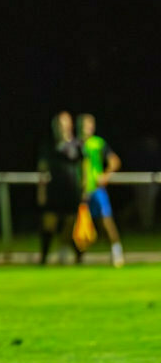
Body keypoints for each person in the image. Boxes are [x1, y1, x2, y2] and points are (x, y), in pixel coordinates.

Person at [77, 113, 124, 267]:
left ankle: (116, 251)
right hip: (79, 191)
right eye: (84, 124)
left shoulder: (98, 143)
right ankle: (77, 256)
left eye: (90, 124)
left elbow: (115, 161)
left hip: (96, 190)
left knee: (105, 221)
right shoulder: (74, 144)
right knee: (77, 224)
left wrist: (105, 175)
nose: (87, 128)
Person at [37, 111, 83, 265]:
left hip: (72, 191)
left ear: (69, 124)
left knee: (70, 227)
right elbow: (42, 170)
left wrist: (85, 188)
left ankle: (79, 256)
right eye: (57, 123)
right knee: (48, 224)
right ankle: (43, 259)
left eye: (63, 123)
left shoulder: (77, 145)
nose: (60, 126)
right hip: (54, 190)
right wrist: (41, 191)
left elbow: (84, 168)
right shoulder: (48, 145)